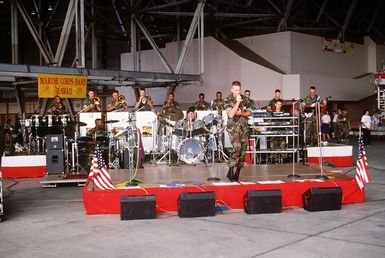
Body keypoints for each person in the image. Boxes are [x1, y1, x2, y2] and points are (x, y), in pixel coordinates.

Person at [224, 81, 253, 182]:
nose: (237, 92)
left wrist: (242, 113)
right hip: (233, 129)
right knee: (236, 148)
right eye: (235, 90)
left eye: (239, 90)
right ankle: (231, 170)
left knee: (243, 152)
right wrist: (237, 102)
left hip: (244, 128)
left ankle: (237, 173)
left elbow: (250, 112)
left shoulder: (245, 99)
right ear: (232, 90)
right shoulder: (227, 100)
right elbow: (231, 114)